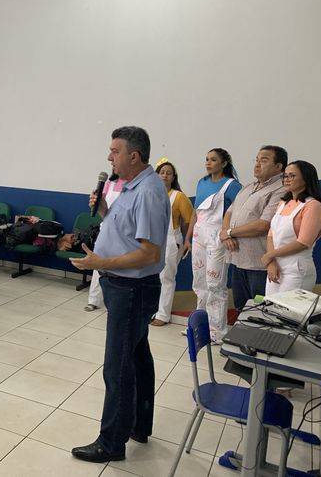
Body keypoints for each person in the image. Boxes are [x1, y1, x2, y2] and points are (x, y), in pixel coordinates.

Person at [69, 126, 169, 464]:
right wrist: (101, 211)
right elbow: (123, 228)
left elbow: (149, 253)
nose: (109, 157)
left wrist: (101, 262)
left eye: (114, 151)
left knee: (118, 367)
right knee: (137, 357)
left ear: (134, 156)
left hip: (132, 289)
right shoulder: (130, 186)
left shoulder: (150, 192)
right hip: (123, 287)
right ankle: (139, 424)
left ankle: (111, 443)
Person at [183, 148, 241, 343]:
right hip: (199, 234)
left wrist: (229, 233)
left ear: (224, 163)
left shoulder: (232, 186)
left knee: (215, 284)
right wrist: (189, 237)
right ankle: (199, 326)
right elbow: (195, 212)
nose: (208, 163)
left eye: (213, 160)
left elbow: (238, 213)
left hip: (217, 237)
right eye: (207, 159)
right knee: (199, 282)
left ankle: (217, 331)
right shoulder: (202, 183)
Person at [219, 146, 287, 310]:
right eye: (256, 160)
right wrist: (225, 234)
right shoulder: (248, 187)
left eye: (264, 160)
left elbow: (263, 225)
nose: (257, 164)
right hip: (237, 260)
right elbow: (229, 212)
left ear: (278, 166)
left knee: (260, 310)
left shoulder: (282, 189)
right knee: (241, 308)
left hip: (259, 264)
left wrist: (229, 232)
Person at [262, 161, 321, 296]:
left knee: (288, 313)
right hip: (276, 267)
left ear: (306, 178)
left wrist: (270, 255)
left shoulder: (313, 206)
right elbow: (270, 235)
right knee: (269, 309)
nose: (287, 179)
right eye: (285, 176)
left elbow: (303, 242)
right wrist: (271, 263)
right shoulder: (283, 203)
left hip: (296, 268)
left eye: (292, 176)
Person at [150, 159, 193, 326]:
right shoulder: (151, 193)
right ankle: (152, 309)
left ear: (173, 177)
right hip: (152, 240)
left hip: (170, 241)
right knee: (151, 277)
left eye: (169, 173)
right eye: (162, 172)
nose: (165, 175)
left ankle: (163, 314)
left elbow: (190, 220)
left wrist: (184, 238)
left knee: (166, 277)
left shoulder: (179, 196)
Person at [85, 173, 126, 311]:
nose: (113, 164)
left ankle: (116, 302)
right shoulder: (109, 182)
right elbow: (103, 208)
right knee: (98, 263)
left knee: (119, 266)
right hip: (105, 228)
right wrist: (95, 203)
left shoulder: (132, 183)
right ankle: (93, 299)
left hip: (123, 232)